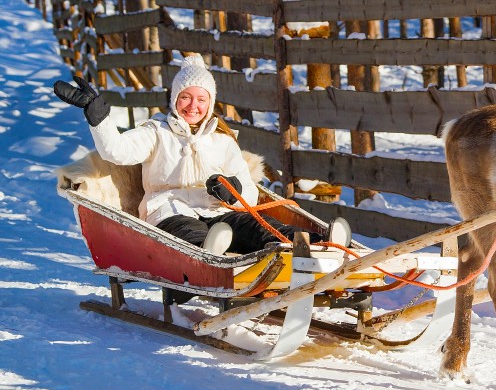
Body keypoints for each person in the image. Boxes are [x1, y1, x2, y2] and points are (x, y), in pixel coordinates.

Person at [54, 55, 350, 255]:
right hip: (169, 211)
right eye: (185, 97)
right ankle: (210, 258)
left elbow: (248, 188)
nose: (192, 106)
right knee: (190, 233)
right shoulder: (156, 131)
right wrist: (99, 119)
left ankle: (318, 246)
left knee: (255, 227)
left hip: (218, 209)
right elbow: (115, 152)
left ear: (210, 103)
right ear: (174, 99)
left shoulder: (222, 138)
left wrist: (232, 189)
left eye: (200, 99)